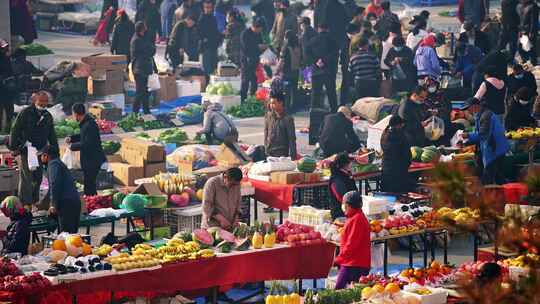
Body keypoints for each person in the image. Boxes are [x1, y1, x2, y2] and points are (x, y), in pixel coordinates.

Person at [9, 91, 58, 207]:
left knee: (38, 177)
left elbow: (52, 134)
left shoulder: (47, 116)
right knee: (27, 178)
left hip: (40, 150)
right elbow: (15, 130)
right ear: (35, 100)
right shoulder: (25, 113)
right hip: (26, 150)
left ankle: (35, 201)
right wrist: (14, 147)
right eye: (41, 101)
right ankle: (25, 205)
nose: (43, 104)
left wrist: (54, 149)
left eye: (46, 101)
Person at [462, 98, 509, 185]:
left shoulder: (486, 116)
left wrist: (467, 136)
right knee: (497, 176)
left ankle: (493, 195)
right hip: (493, 148)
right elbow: (479, 133)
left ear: (475, 106)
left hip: (495, 149)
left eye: (468, 109)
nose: (468, 111)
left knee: (489, 177)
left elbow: (483, 134)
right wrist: (467, 141)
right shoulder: (480, 115)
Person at [67, 103, 106, 196]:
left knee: (89, 185)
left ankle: (92, 204)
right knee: (89, 184)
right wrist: (72, 138)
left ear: (76, 114)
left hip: (92, 159)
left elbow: (87, 143)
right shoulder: (86, 123)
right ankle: (92, 202)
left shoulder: (89, 124)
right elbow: (84, 137)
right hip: (90, 159)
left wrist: (72, 147)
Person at [334, 191, 371, 289]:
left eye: (344, 204)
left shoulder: (357, 220)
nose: (343, 207)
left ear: (348, 205)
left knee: (339, 290)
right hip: (352, 262)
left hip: (354, 264)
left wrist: (338, 259)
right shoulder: (354, 217)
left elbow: (351, 245)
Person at [42, 145, 81, 233]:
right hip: (72, 202)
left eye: (41, 156)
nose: (40, 158)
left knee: (66, 236)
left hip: (66, 204)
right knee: (70, 235)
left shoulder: (53, 164)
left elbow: (55, 183)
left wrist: (53, 205)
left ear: (46, 156)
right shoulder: (59, 163)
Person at [306, 24, 339, 112]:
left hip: (316, 71)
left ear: (318, 29)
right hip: (329, 71)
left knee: (315, 94)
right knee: (331, 94)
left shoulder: (312, 40)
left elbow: (307, 52)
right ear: (327, 29)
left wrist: (316, 61)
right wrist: (324, 61)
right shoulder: (333, 40)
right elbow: (335, 54)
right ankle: (334, 112)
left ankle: (314, 113)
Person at [381, 115, 413, 193]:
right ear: (397, 125)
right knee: (399, 194)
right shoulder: (399, 135)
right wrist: (408, 163)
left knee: (388, 194)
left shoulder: (384, 134)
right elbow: (405, 152)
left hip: (387, 168)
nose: (402, 126)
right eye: (401, 124)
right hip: (399, 170)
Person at [131, 21, 157, 115]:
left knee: (144, 91)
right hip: (140, 69)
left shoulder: (140, 38)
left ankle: (146, 111)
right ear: (142, 30)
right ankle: (135, 112)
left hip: (142, 68)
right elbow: (151, 50)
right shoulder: (138, 40)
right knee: (140, 92)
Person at [240, 19, 266, 103]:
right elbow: (246, 47)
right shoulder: (245, 33)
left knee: (254, 79)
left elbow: (261, 44)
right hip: (246, 60)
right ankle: (243, 99)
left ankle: (252, 97)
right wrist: (258, 47)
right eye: (259, 29)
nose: (260, 31)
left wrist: (262, 47)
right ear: (255, 27)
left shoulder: (258, 34)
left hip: (255, 59)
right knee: (245, 80)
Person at [264, 92, 297, 158]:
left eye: (273, 103)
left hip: (281, 155)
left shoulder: (288, 119)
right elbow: (266, 133)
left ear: (281, 103)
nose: (271, 105)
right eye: (271, 103)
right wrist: (266, 150)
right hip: (268, 153)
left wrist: (293, 157)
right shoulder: (269, 116)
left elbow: (292, 139)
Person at [277, 30, 302, 111]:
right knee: (294, 90)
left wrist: (277, 71)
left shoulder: (286, 47)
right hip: (296, 71)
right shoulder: (298, 47)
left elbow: (282, 60)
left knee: (286, 91)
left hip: (286, 72)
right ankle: (294, 108)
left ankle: (287, 108)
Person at [328, 153, 358, 218]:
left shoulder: (347, 175)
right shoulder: (336, 179)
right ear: (344, 165)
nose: (352, 164)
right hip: (340, 214)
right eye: (350, 163)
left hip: (351, 211)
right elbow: (341, 197)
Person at [0, 39, 16, 134]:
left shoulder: (6, 59)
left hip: (7, 89)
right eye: (4, 48)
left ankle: (8, 129)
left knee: (9, 109)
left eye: (6, 48)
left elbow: (10, 73)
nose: (6, 50)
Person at [517, 0, 538, 65]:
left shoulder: (533, 6)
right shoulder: (519, 5)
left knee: (531, 47)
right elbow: (518, 19)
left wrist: (532, 32)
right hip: (521, 29)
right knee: (520, 46)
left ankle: (533, 61)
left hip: (529, 30)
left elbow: (534, 21)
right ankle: (524, 60)